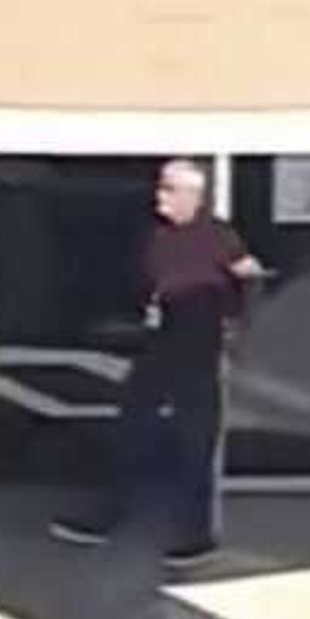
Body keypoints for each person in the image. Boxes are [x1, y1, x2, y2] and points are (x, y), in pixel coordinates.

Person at [54, 157, 269, 569]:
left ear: (194, 196)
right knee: (132, 425)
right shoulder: (155, 235)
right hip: (162, 339)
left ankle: (195, 534)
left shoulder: (215, 236)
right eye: (161, 187)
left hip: (199, 342)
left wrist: (237, 325)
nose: (160, 196)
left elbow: (251, 277)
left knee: (196, 436)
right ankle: (108, 514)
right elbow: (149, 283)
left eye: (171, 189)